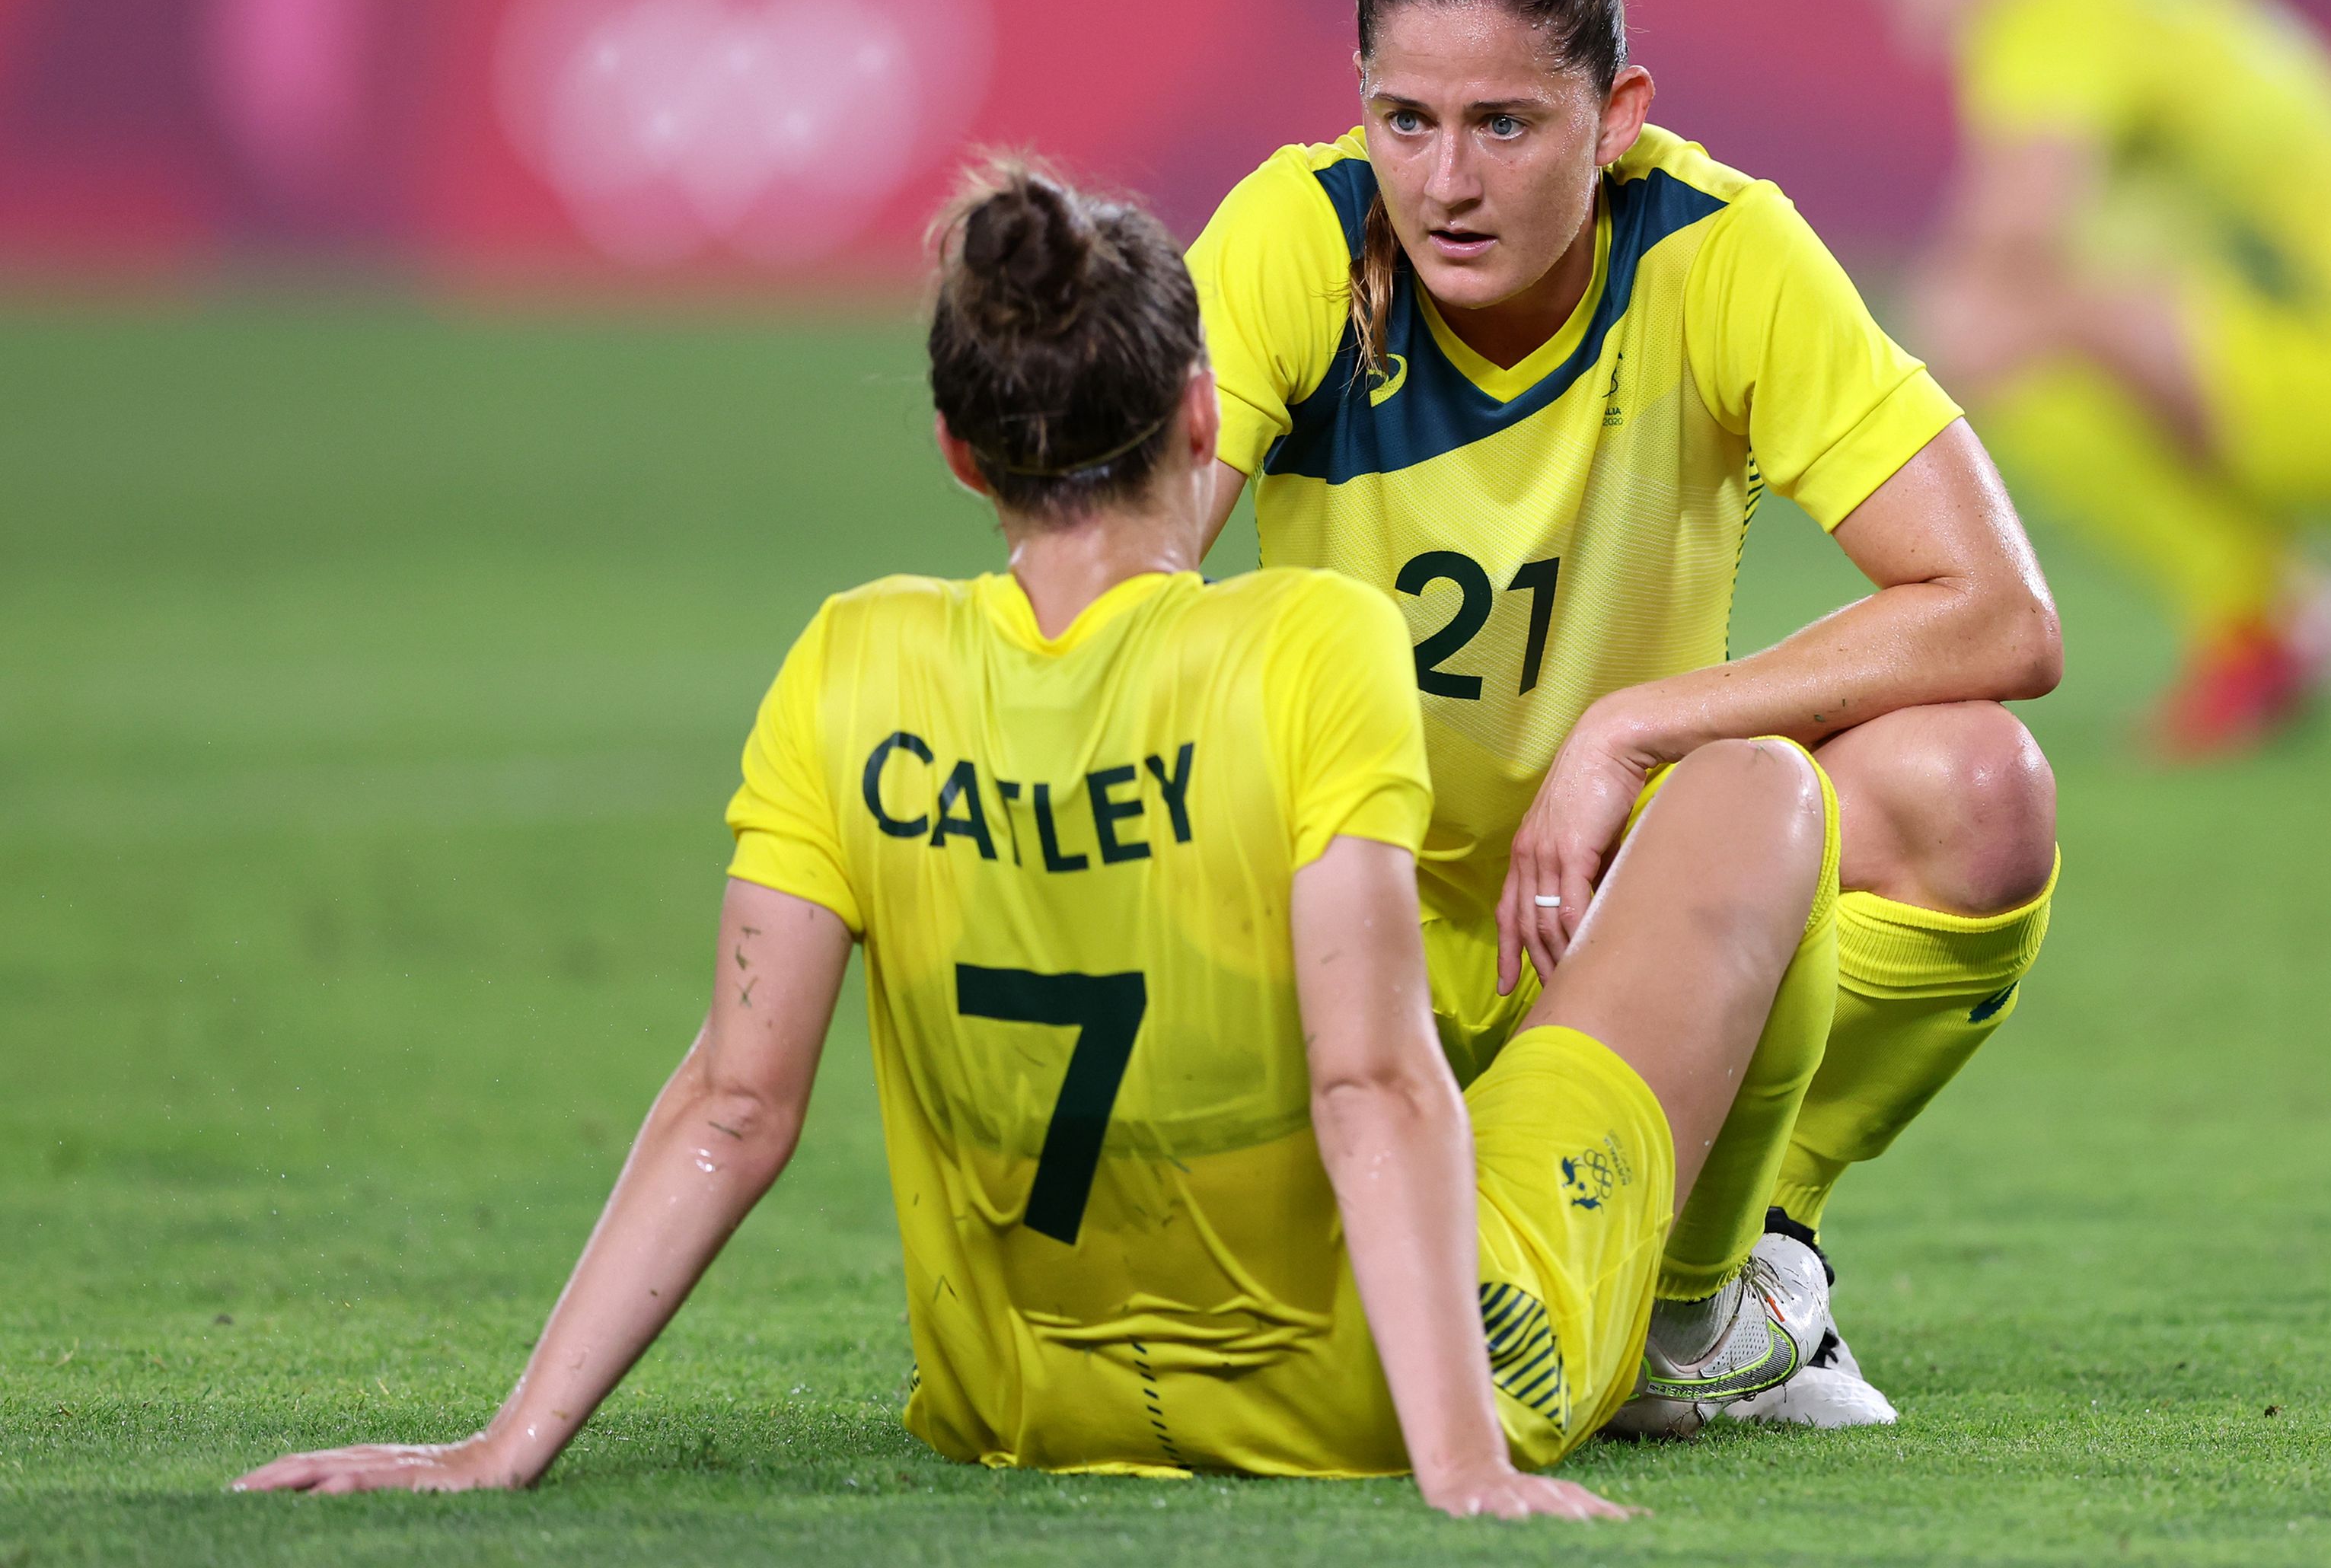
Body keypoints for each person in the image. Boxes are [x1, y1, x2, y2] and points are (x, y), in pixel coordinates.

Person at [231, 166, 1849, 1513]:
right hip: (1365, 1388)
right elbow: (1369, 1079)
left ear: (959, 452)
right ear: (1205, 414)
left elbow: (736, 1100)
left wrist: (501, 1448)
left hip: (1021, 1402)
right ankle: (1697, 1318)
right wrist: (1458, 1464)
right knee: (1757, 792)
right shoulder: (1313, 645)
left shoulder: (849, 664)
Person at [1185, 0, 2065, 1429]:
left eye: (1506, 124)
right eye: (1407, 119)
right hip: (1341, 931)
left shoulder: (1716, 252)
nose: (1447, 182)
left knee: (1968, 787)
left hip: (1610, 938)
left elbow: (2000, 611)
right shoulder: (1296, 237)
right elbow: (1119, 584)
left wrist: (1634, 726)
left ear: (1619, 116)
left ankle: (1716, 1274)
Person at [1857, 0, 2331, 758]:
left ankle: (2268, 607)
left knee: (1980, 328)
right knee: (2030, 311)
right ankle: (2276, 612)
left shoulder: (2054, 6)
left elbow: (2010, 233)